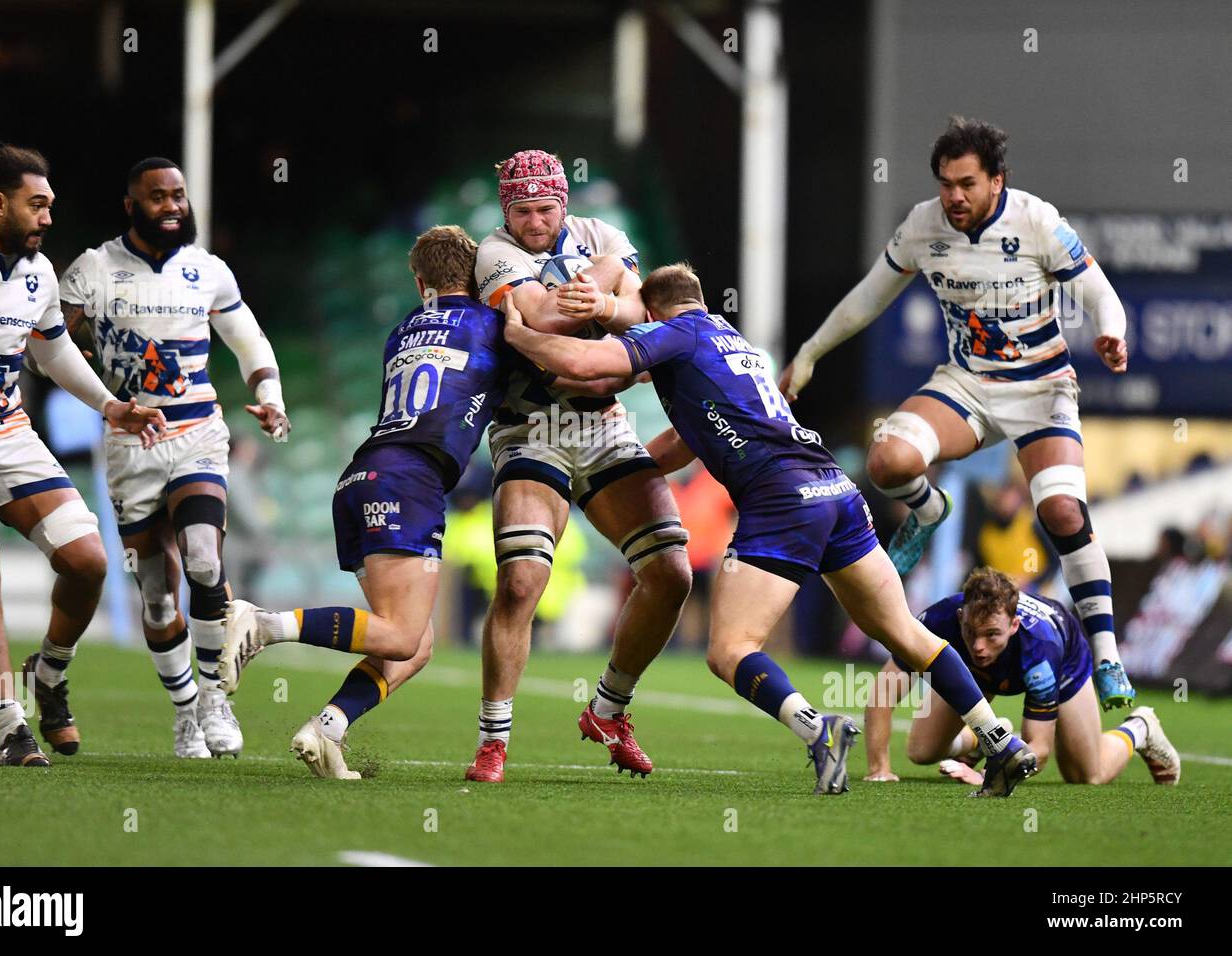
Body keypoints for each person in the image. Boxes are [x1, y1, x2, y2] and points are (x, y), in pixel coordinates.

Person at [501, 262, 1039, 796]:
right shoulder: (734, 345)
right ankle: (999, 739)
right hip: (835, 487)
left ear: (652, 311)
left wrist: (519, 335)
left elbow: (592, 361)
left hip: (782, 499)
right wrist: (609, 478)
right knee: (907, 634)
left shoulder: (675, 333)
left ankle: (818, 727)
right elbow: (680, 443)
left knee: (730, 649)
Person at [778, 117, 1136, 710]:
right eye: (945, 183)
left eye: (967, 183)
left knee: (1062, 510)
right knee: (888, 460)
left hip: (1040, 387)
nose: (954, 196)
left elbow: (1099, 292)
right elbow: (870, 293)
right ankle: (929, 507)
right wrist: (810, 353)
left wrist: (1111, 332)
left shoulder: (1038, 220)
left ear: (998, 181)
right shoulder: (923, 226)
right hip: (967, 384)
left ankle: (1106, 654)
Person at [217, 226, 510, 779]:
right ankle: (264, 624)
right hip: (411, 479)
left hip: (360, 477)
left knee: (414, 644)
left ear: (418, 281)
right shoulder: (492, 324)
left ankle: (327, 728)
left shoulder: (401, 332)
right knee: (400, 634)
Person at [465, 150, 692, 783]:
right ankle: (493, 740)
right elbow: (537, 315)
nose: (534, 223)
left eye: (544, 209)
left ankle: (610, 710)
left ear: (564, 204)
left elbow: (642, 314)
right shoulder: (493, 251)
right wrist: (602, 299)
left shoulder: (605, 234)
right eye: (522, 211)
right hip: (529, 425)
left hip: (604, 423)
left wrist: (599, 305)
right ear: (506, 210)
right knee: (519, 582)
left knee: (672, 572)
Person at [0, 143, 163, 765]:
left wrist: (111, 406)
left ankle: (51, 674)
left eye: (51, 206)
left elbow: (52, 350)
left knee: (89, 563)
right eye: (38, 205)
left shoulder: (37, 273)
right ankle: (11, 728)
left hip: (9, 432)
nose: (48, 218)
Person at [59, 157, 290, 757]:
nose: (171, 207)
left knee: (205, 561)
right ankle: (185, 712)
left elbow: (250, 341)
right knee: (158, 591)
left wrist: (269, 395)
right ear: (131, 204)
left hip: (198, 435)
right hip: (131, 445)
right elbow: (46, 344)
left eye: (178, 196)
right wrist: (105, 395)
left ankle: (216, 699)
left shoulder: (207, 270)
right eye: (157, 197)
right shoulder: (92, 269)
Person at [863, 567, 1179, 786]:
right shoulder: (939, 620)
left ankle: (1140, 728)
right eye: (970, 632)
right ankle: (985, 736)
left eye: (991, 635)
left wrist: (992, 773)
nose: (978, 646)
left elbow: (1038, 748)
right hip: (981, 676)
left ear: (1013, 626)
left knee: (1086, 774)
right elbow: (884, 690)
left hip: (1066, 657)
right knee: (922, 751)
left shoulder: (1041, 650)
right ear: (961, 616)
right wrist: (879, 768)